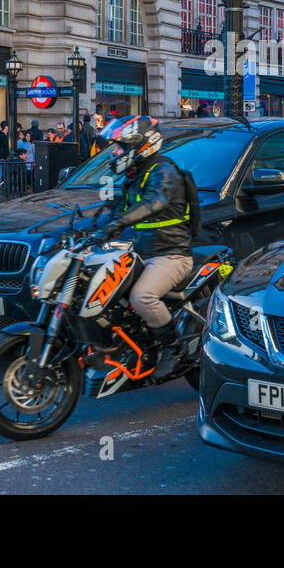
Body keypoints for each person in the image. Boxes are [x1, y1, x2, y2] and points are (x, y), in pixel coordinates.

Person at [94, 116, 194, 380]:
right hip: (141, 252)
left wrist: (119, 222)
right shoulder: (136, 174)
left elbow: (154, 202)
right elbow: (116, 208)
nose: (114, 152)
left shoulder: (164, 171)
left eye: (119, 147)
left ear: (141, 145)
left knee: (142, 297)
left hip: (171, 254)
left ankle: (175, 348)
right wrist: (91, 225)